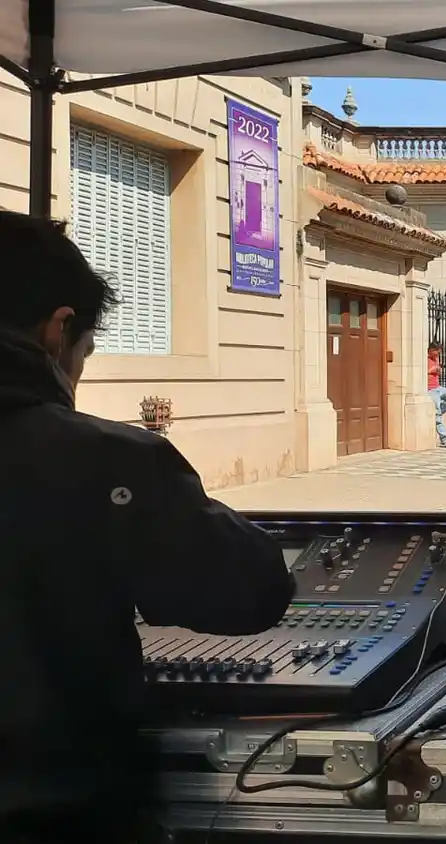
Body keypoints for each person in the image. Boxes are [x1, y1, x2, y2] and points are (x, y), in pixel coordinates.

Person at [0, 210, 294, 842]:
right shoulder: (100, 459)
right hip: (57, 816)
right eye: (84, 354)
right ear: (58, 329)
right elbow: (252, 590)